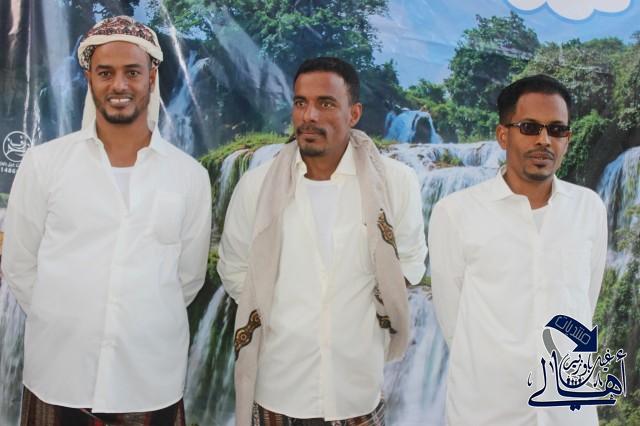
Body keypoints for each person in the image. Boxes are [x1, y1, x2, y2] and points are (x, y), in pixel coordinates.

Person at [2, 16, 211, 426]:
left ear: (152, 76)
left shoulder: (189, 176)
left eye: (132, 72)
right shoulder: (44, 164)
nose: (119, 85)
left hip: (150, 380)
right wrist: (66, 317)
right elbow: (20, 265)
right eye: (105, 73)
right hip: (59, 375)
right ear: (89, 78)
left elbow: (187, 278)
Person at [217, 57, 427, 425]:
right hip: (278, 389)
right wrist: (280, 316)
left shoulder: (396, 183)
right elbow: (234, 269)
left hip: (356, 391)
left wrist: (365, 322)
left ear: (354, 113)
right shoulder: (257, 186)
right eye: (301, 103)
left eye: (326, 103)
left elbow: (408, 264)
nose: (309, 115)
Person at [428, 74, 607, 425]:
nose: (544, 140)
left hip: (569, 412)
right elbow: (452, 321)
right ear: (503, 135)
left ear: (568, 138)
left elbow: (586, 301)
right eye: (529, 127)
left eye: (557, 129)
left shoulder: (589, 208)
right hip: (487, 412)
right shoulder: (456, 213)